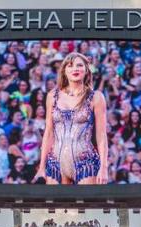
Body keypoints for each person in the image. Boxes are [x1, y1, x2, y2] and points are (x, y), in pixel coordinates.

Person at [35, 52, 108, 185]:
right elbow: (49, 133)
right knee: (56, 205)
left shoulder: (96, 97)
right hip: (55, 163)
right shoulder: (52, 96)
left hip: (85, 163)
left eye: (79, 65)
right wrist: (41, 168)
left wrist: (104, 168)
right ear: (64, 71)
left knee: (87, 205)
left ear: (86, 70)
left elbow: (101, 136)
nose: (75, 69)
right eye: (70, 66)